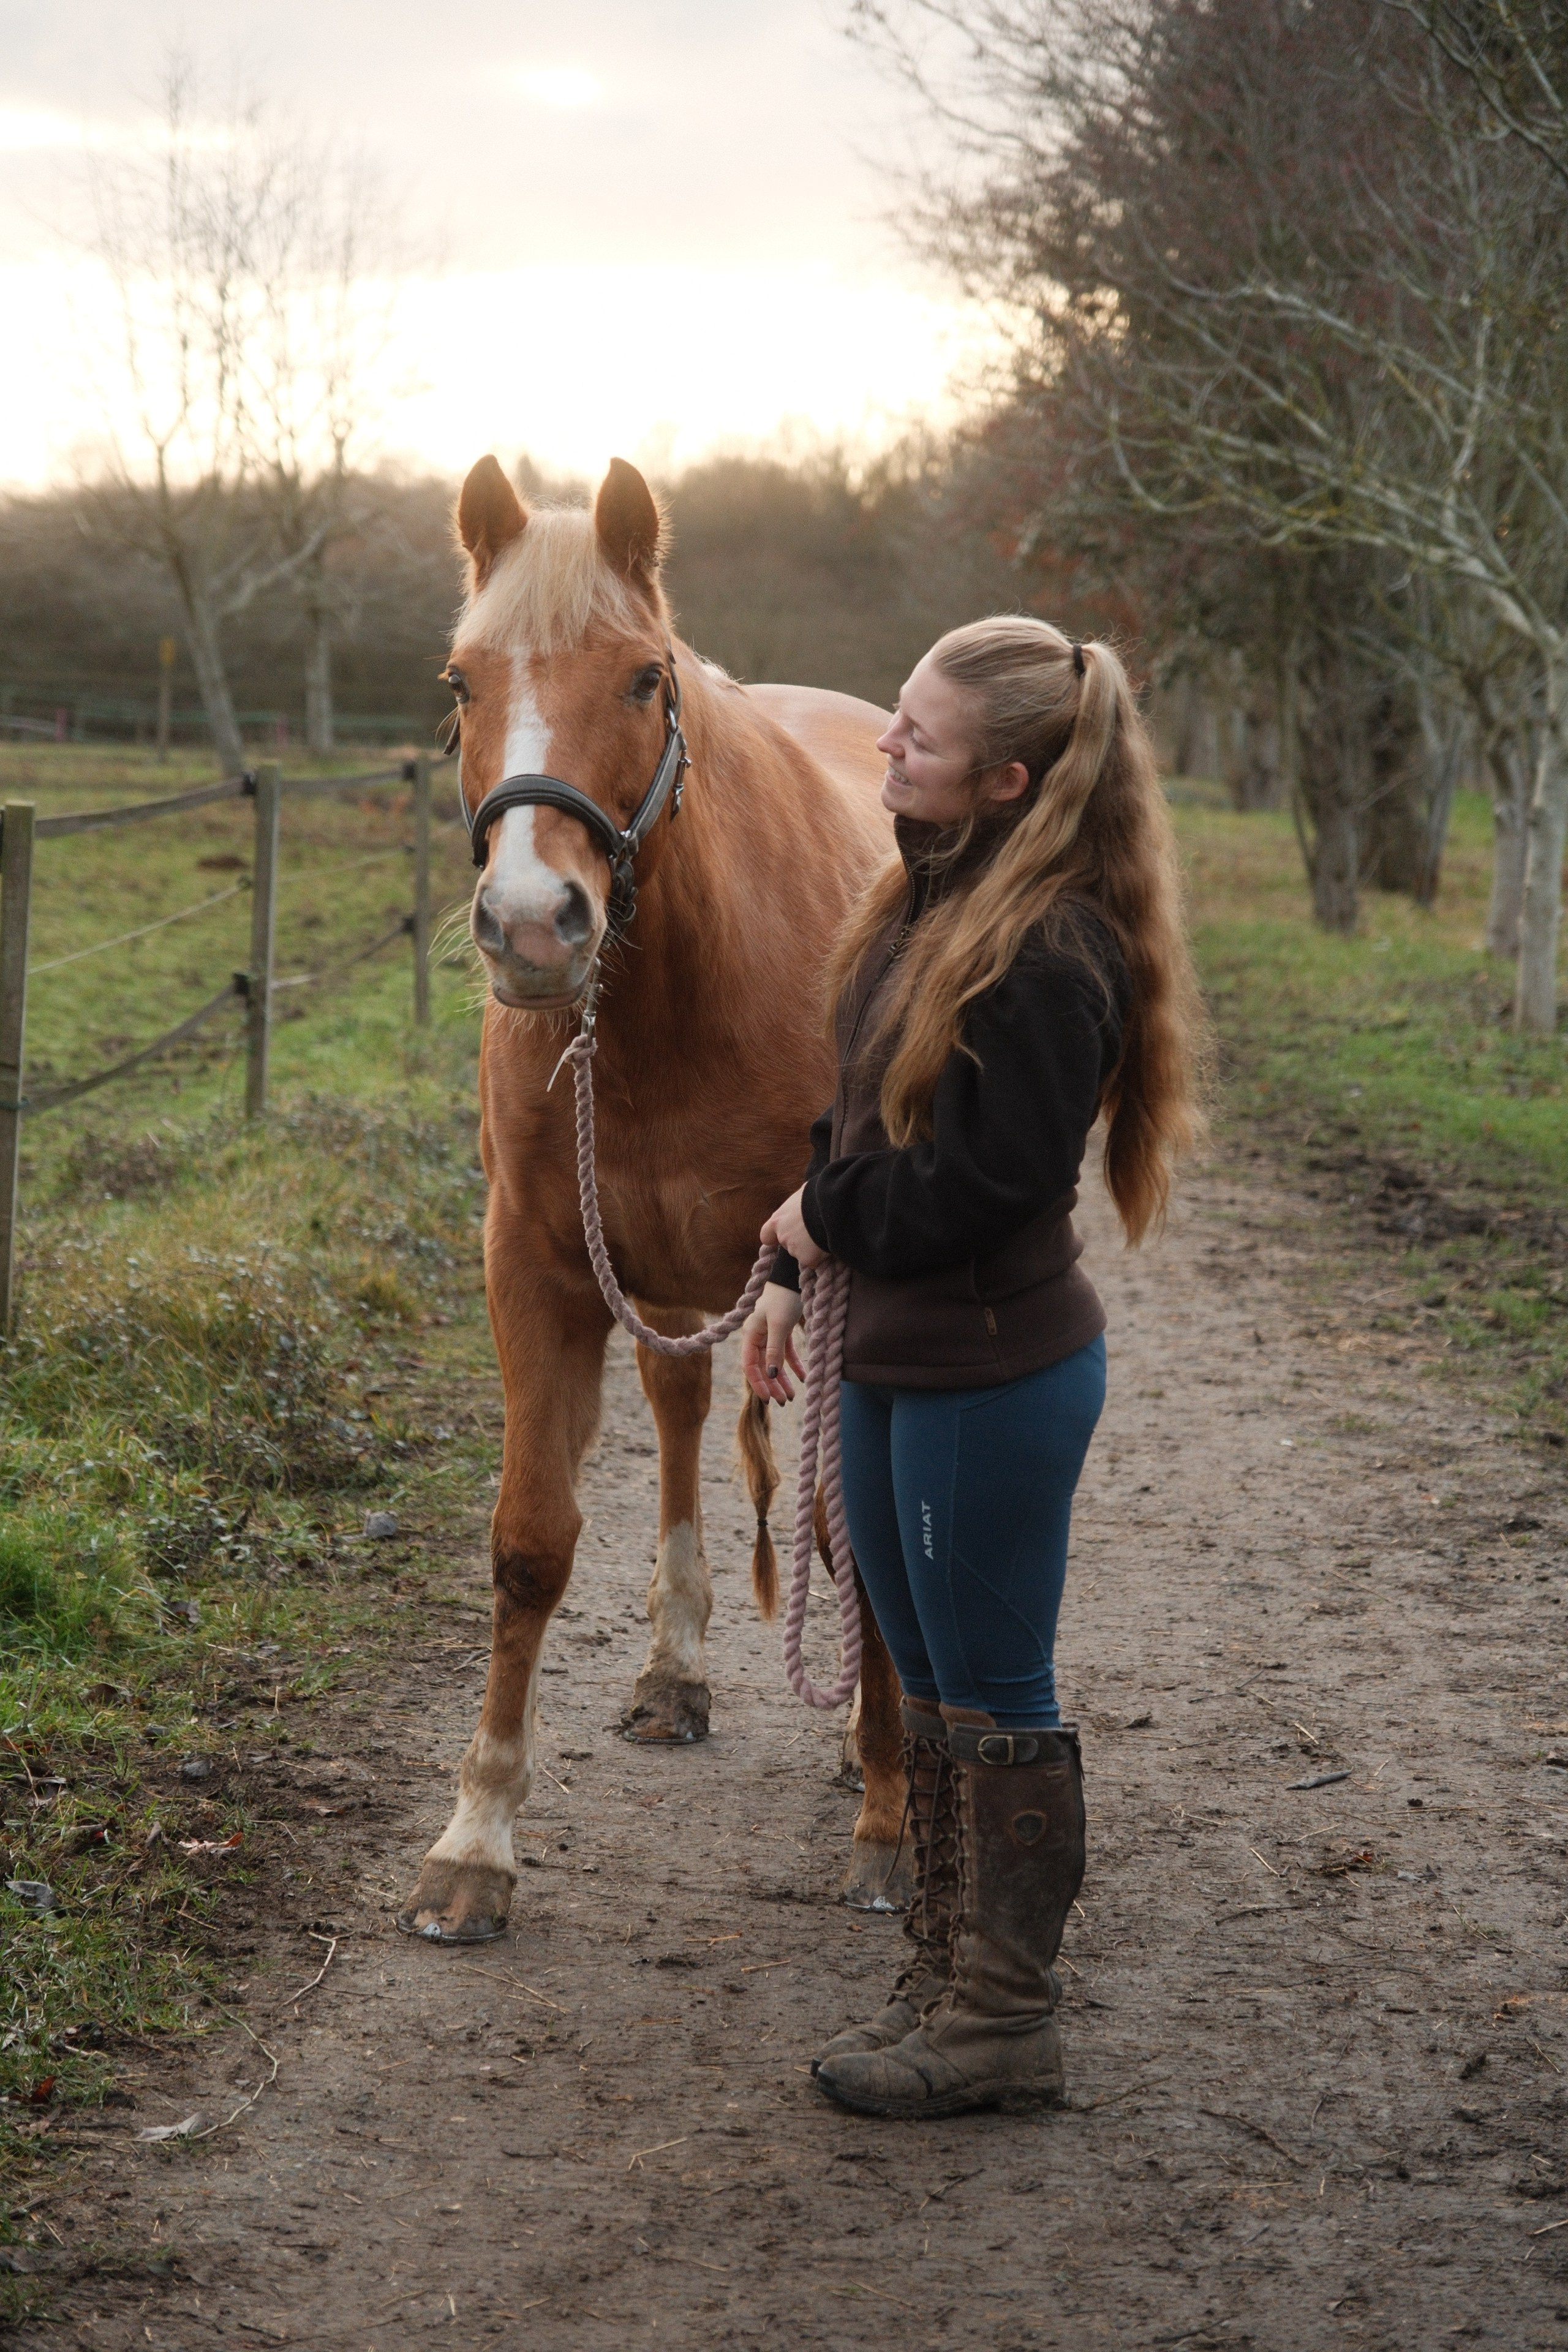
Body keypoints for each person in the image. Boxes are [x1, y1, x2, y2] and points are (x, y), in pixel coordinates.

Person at [741, 616, 1204, 2120]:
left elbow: (981, 1188)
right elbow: (855, 1120)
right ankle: (945, 1974)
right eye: (893, 718)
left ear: (1005, 782)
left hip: (987, 1379)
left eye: (916, 740)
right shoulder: (915, 900)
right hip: (891, 1365)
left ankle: (1004, 2013)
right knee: (929, 1689)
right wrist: (783, 1264)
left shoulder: (1050, 949)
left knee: (990, 1692)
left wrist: (823, 1220)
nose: (881, 747)